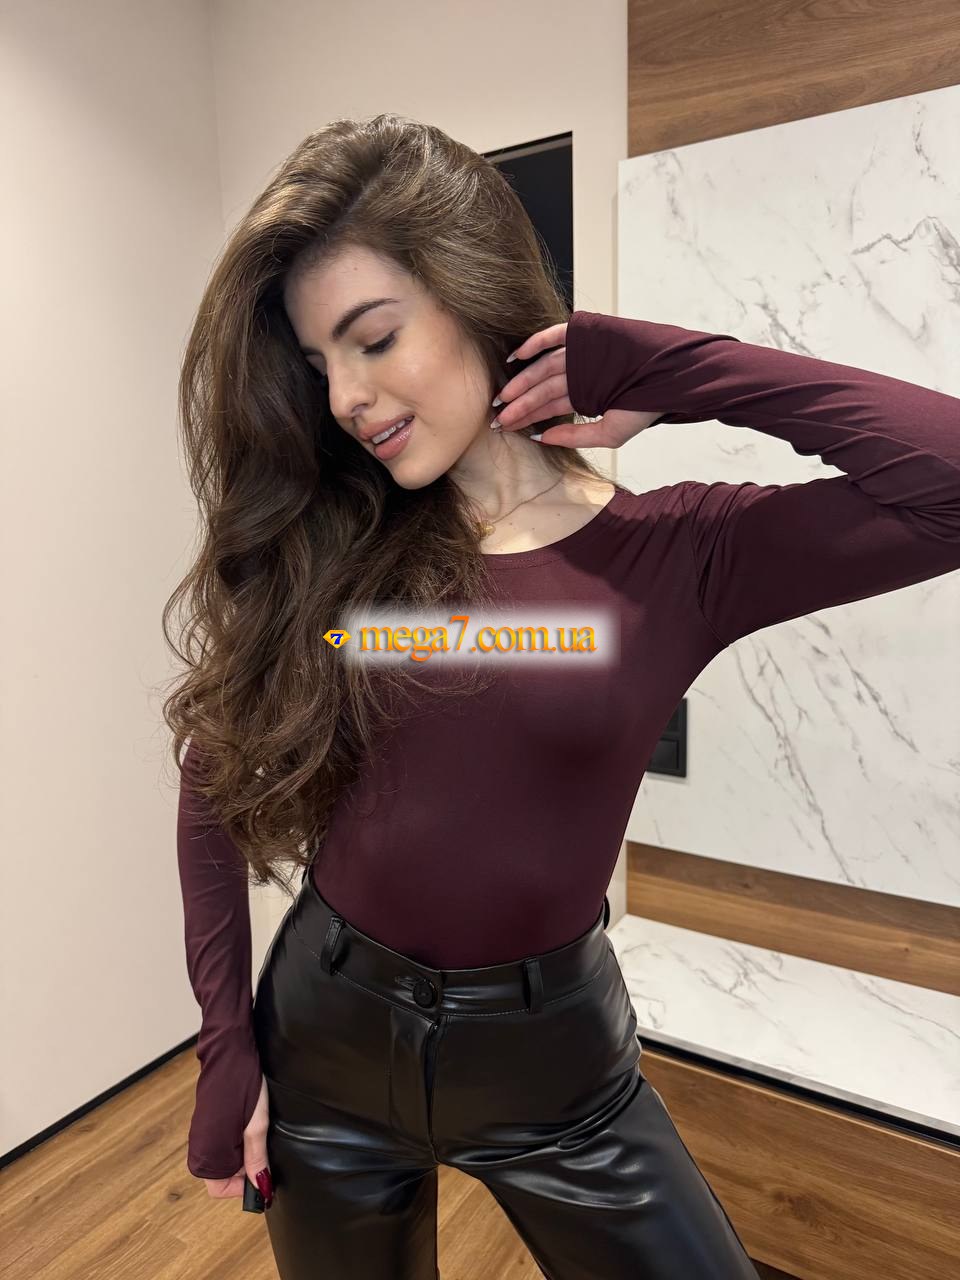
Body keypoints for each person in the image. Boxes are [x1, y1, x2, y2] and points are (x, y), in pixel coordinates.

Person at [166, 113, 960, 1280]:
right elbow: (214, 768)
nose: (345, 396)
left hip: (556, 1072)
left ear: (474, 296)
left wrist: (675, 370)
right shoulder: (340, 550)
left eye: (374, 338)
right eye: (321, 363)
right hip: (326, 1046)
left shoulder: (677, 555)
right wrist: (226, 1044)